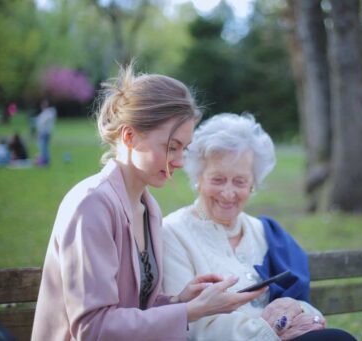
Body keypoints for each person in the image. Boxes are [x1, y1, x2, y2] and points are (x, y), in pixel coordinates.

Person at [31, 66, 265, 340]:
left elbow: (134, 308)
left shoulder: (148, 208)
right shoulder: (91, 205)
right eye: (170, 147)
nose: (179, 162)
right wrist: (188, 312)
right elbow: (93, 328)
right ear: (129, 137)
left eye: (183, 149)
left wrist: (180, 301)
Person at [162, 113, 356, 341]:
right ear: (198, 178)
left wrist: (298, 311)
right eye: (217, 179)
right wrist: (271, 330)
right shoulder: (173, 232)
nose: (228, 193)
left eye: (240, 181)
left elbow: (306, 308)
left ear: (253, 184)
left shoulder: (264, 232)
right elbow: (191, 325)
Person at [35, 98, 57, 166]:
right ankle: (44, 161)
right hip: (43, 132)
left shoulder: (48, 113)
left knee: (43, 148)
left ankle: (45, 161)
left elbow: (42, 122)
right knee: (43, 148)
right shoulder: (45, 113)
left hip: (45, 133)